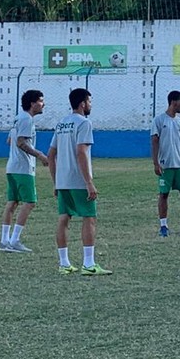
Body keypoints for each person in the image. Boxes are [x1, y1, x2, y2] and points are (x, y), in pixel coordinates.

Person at [47, 88, 111, 275]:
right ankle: (89, 264)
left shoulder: (61, 124)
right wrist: (89, 182)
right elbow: (81, 151)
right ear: (83, 103)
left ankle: (64, 263)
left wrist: (56, 181)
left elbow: (51, 155)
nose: (90, 105)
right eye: (89, 101)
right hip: (78, 180)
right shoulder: (84, 123)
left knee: (64, 218)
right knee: (89, 218)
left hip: (63, 180)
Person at [0, 89, 49, 253]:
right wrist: (40, 155)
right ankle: (15, 240)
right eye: (41, 101)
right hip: (23, 168)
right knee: (30, 202)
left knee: (12, 202)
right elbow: (20, 142)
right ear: (32, 103)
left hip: (12, 166)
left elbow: (9, 141)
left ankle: (4, 240)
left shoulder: (18, 118)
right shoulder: (26, 119)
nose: (43, 104)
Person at [151, 90, 180, 237]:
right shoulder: (159, 120)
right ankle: (163, 226)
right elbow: (154, 142)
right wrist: (156, 163)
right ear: (173, 102)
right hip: (166, 165)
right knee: (163, 195)